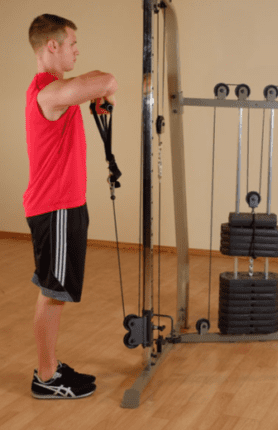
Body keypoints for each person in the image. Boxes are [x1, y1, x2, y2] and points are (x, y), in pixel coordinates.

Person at [25, 14, 118, 399]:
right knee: (53, 293)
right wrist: (102, 90)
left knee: (53, 292)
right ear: (52, 45)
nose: (76, 50)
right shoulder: (48, 93)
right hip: (56, 208)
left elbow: (93, 85)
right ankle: (47, 378)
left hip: (63, 206)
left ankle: (50, 368)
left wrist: (95, 93)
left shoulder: (54, 90)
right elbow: (106, 81)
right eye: (72, 43)